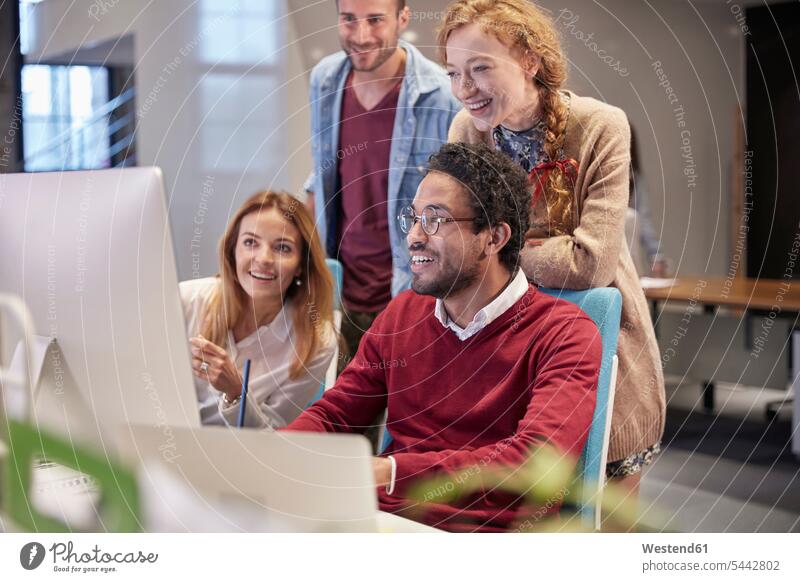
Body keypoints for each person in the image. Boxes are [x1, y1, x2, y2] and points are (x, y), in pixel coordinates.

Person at [285, 143, 602, 532]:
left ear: (494, 237)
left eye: (435, 220)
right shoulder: (403, 313)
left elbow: (536, 464)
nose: (415, 237)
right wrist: (274, 455)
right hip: (386, 523)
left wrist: (393, 471)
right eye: (414, 218)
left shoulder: (565, 333)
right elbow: (335, 414)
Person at [440, 0, 665, 491]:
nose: (465, 89)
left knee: (605, 531)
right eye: (455, 72)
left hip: (603, 339)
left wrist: (494, 250)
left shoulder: (601, 125)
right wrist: (505, 251)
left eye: (480, 68)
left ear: (529, 61)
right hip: (503, 350)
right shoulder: (467, 131)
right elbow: (456, 249)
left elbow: (590, 264)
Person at [304, 0, 461, 359]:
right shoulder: (325, 79)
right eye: (349, 20)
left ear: (402, 19)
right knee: (339, 412)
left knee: (405, 415)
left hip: (410, 295)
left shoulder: (442, 96)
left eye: (375, 20)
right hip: (338, 293)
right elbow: (324, 170)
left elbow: (457, 208)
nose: (361, 35)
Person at [180, 191, 337, 429]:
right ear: (233, 250)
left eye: (283, 248)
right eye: (250, 242)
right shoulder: (185, 300)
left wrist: (235, 392)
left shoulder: (317, 342)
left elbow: (272, 438)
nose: (264, 258)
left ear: (301, 266)